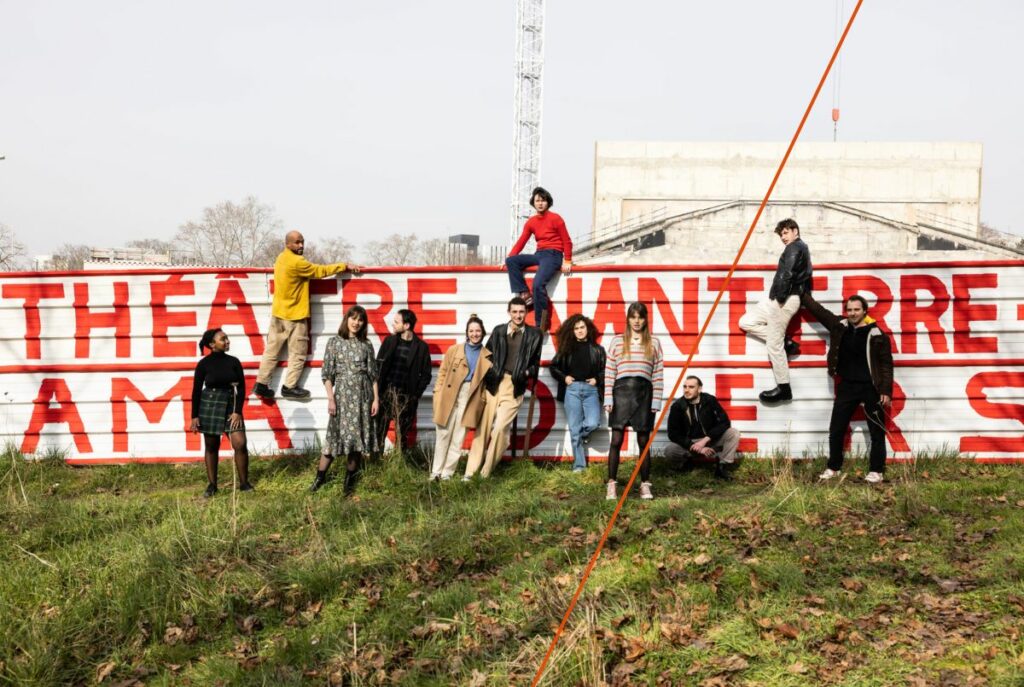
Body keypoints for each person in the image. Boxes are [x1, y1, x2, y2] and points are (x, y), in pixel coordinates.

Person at [254, 230, 359, 400]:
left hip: (278, 314)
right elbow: (320, 271)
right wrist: (344, 265)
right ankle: (290, 386)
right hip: (295, 316)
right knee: (298, 353)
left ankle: (261, 383)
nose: (301, 245)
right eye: (297, 242)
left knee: (271, 351)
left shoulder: (281, 258)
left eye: (302, 241)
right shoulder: (297, 262)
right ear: (287, 244)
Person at [801, 292, 894, 484]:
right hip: (847, 386)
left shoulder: (877, 333)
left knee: (876, 430)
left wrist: (885, 390)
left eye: (856, 309)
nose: (852, 313)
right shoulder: (840, 326)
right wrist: (802, 294)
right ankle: (833, 467)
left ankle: (877, 470)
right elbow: (820, 312)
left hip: (871, 387)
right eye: (849, 310)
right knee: (836, 429)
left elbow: (886, 364)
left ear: (864, 310)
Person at [464, 297, 542, 479]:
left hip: (514, 386)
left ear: (526, 313)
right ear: (509, 312)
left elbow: (535, 363)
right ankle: (470, 472)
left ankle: (485, 472)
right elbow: (487, 354)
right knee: (483, 428)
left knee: (500, 428)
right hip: (494, 383)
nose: (518, 315)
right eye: (514, 312)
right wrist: (489, 372)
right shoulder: (499, 331)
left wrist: (527, 373)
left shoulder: (534, 335)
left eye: (521, 311)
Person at [739, 218, 812, 403]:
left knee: (773, 344)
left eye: (786, 232)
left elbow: (787, 273)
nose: (783, 237)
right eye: (781, 235)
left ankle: (784, 388)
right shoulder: (797, 248)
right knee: (746, 321)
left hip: (784, 299)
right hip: (779, 298)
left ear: (795, 231)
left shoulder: (795, 248)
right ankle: (786, 343)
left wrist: (780, 298)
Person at [310, 306, 379, 493]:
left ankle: (348, 485)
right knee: (333, 439)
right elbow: (327, 375)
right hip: (342, 397)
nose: (356, 323)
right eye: (353, 318)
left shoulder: (367, 344)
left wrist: (376, 400)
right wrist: (331, 399)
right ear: (346, 319)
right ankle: (319, 479)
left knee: (356, 442)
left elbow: (373, 375)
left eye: (360, 320)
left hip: (363, 398)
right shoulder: (334, 342)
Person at [603, 302, 664, 500]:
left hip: (644, 393)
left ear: (646, 319)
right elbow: (610, 371)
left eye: (640, 317)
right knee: (617, 440)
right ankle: (611, 484)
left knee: (643, 441)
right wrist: (608, 397)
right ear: (628, 319)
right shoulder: (617, 341)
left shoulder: (654, 342)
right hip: (621, 392)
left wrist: (656, 401)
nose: (636, 321)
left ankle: (645, 485)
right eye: (633, 317)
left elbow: (658, 373)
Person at [190, 328, 253, 497]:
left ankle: (244, 483)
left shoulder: (234, 361)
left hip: (231, 405)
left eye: (227, 338)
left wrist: (238, 411)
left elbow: (241, 388)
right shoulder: (203, 364)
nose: (227, 341)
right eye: (223, 339)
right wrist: (194, 416)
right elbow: (196, 391)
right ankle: (212, 485)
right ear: (212, 344)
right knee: (211, 446)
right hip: (209, 405)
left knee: (240, 443)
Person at [429, 315, 493, 480]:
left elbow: (487, 382)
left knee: (458, 437)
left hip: (470, 395)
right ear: (467, 332)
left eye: (478, 331)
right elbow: (442, 373)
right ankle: (435, 472)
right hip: (449, 393)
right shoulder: (454, 349)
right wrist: (437, 394)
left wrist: (482, 400)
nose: (474, 334)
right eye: (471, 330)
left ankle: (447, 474)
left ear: (483, 332)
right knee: (443, 433)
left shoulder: (487, 355)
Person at [505, 186, 573, 326]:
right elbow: (521, 241)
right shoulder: (531, 222)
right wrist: (508, 258)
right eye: (537, 200)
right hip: (539, 254)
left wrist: (567, 260)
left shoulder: (556, 218)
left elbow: (567, 241)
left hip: (553, 254)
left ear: (548, 202)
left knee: (537, 284)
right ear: (533, 203)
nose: (540, 203)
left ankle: (541, 323)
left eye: (543, 200)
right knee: (511, 261)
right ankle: (525, 295)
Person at [549, 314, 605, 472]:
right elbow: (553, 367)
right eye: (576, 329)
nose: (580, 331)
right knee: (574, 429)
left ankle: (581, 435)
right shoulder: (566, 350)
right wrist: (564, 377)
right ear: (572, 331)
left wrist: (597, 379)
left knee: (593, 423)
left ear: (588, 328)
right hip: (572, 390)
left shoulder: (598, 350)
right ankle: (579, 466)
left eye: (582, 327)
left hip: (591, 391)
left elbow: (605, 370)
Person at [375, 309, 433, 454]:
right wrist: (377, 394)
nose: (392, 324)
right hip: (385, 395)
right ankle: (375, 464)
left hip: (406, 398)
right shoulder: (389, 341)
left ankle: (400, 465)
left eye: (396, 322)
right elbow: (378, 367)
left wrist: (415, 395)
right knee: (379, 433)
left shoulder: (421, 347)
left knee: (402, 437)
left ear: (406, 325)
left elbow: (426, 375)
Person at [665, 375, 741, 480]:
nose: (687, 390)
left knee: (733, 433)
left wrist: (705, 440)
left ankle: (722, 467)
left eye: (691, 387)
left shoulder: (709, 401)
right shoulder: (678, 406)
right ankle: (686, 464)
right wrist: (694, 446)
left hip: (710, 440)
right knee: (670, 450)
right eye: (685, 387)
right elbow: (673, 434)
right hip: (691, 444)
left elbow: (725, 422)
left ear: (699, 389)